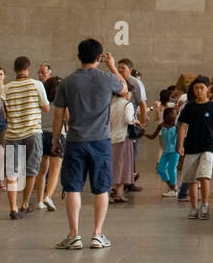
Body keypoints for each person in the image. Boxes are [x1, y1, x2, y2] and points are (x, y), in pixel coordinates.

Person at [52, 39, 129, 250]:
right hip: (100, 142)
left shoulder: (67, 83)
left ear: (79, 56)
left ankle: (73, 235)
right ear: (99, 57)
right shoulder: (106, 79)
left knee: (72, 187)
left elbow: (58, 116)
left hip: (75, 140)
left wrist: (55, 139)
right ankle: (97, 234)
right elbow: (124, 89)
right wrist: (112, 66)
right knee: (101, 188)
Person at [2, 56, 49, 219]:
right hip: (32, 133)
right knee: (31, 171)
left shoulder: (6, 88)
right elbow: (46, 107)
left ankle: (13, 208)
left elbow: (4, 114)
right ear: (28, 69)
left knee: (12, 173)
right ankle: (25, 204)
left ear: (15, 70)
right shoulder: (37, 85)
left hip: (12, 134)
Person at [178, 76, 213, 220]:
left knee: (205, 175)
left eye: (201, 88)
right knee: (191, 178)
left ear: (208, 89)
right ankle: (194, 207)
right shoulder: (189, 107)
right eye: (196, 88)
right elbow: (183, 126)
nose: (199, 91)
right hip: (192, 146)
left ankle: (205, 204)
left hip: (208, 145)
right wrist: (180, 145)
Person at [31, 72, 63, 211]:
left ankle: (39, 201)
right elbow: (66, 118)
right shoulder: (60, 102)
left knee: (41, 171)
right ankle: (48, 196)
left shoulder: (42, 101)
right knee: (55, 170)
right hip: (56, 136)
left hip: (40, 135)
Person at [116, 59, 146, 192]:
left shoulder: (136, 83)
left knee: (131, 152)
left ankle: (129, 181)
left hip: (130, 122)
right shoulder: (116, 81)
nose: (120, 70)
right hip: (117, 121)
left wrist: (143, 122)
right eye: (119, 68)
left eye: (123, 68)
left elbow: (142, 104)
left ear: (129, 69)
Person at [146, 88, 180, 196]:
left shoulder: (176, 127)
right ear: (165, 116)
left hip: (174, 151)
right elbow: (152, 136)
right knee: (161, 169)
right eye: (169, 115)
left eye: (173, 115)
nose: (171, 116)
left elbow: (181, 138)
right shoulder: (162, 126)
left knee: (171, 169)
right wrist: (143, 133)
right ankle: (171, 186)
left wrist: (181, 148)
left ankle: (173, 189)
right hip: (165, 152)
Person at [108, 88, 136, 205]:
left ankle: (115, 191)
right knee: (123, 165)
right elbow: (128, 119)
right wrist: (136, 121)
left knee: (114, 165)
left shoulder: (110, 105)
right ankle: (117, 192)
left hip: (111, 138)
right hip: (123, 138)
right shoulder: (127, 104)